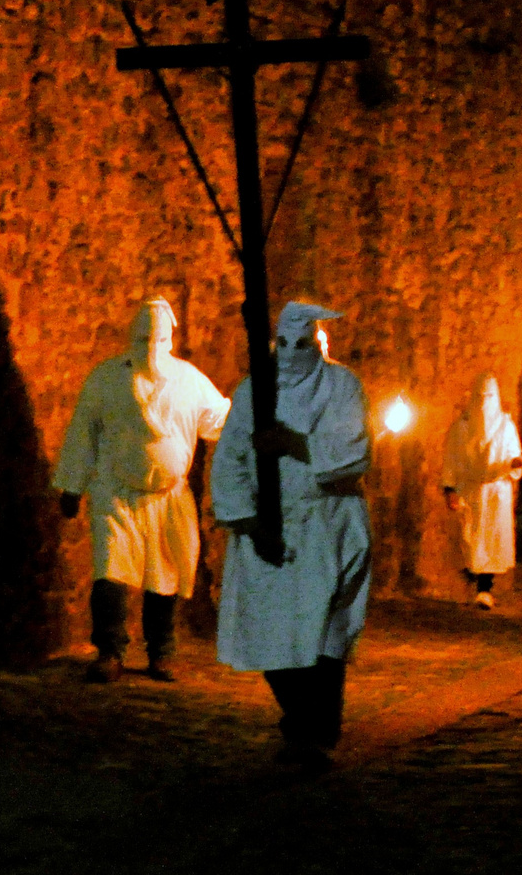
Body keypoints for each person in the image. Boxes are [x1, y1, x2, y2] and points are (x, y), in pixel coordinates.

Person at [211, 301, 371, 772]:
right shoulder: (251, 393)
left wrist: (293, 444)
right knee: (270, 630)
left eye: (303, 344)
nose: (293, 353)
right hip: (271, 524)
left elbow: (351, 448)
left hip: (328, 525)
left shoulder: (342, 386)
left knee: (322, 634)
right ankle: (301, 719)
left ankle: (313, 734)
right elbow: (231, 457)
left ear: (318, 343)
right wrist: (249, 522)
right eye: (285, 344)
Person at [54, 296, 231, 683]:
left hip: (167, 498)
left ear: (169, 340)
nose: (150, 347)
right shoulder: (106, 379)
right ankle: (110, 650)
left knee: (163, 576)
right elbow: (83, 431)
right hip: (116, 494)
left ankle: (161, 653)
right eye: (143, 338)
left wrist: (253, 413)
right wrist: (72, 485)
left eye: (157, 338)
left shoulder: (189, 380)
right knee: (112, 570)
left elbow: (220, 420)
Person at [442, 373, 522, 609]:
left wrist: (515, 463)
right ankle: (468, 581)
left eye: (489, 397)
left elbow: (513, 454)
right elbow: (451, 458)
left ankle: (485, 589)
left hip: (495, 491)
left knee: (490, 540)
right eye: (480, 396)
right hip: (470, 489)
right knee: (470, 538)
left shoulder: (505, 426)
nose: (484, 402)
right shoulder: (461, 427)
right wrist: (450, 489)